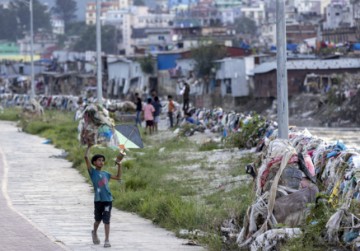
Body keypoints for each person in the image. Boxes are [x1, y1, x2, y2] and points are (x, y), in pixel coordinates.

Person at [84, 145, 123, 248]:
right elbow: (86, 158)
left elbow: (118, 177)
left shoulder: (106, 174)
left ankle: (107, 239)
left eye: (102, 160)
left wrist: (119, 165)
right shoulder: (92, 172)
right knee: (98, 220)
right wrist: (89, 147)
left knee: (106, 219)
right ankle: (94, 232)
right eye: (99, 160)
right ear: (94, 163)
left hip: (108, 200)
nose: (101, 162)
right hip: (98, 201)